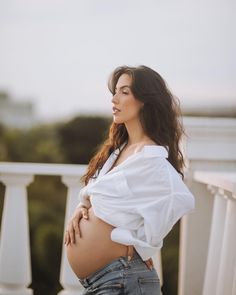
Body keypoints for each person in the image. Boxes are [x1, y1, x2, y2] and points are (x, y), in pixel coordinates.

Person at [64, 65, 195, 295]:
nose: (114, 99)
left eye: (124, 92)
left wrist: (142, 246)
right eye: (115, 92)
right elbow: (104, 195)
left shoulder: (151, 156)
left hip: (124, 277)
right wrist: (83, 206)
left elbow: (179, 197)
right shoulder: (120, 149)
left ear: (145, 100)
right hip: (105, 280)